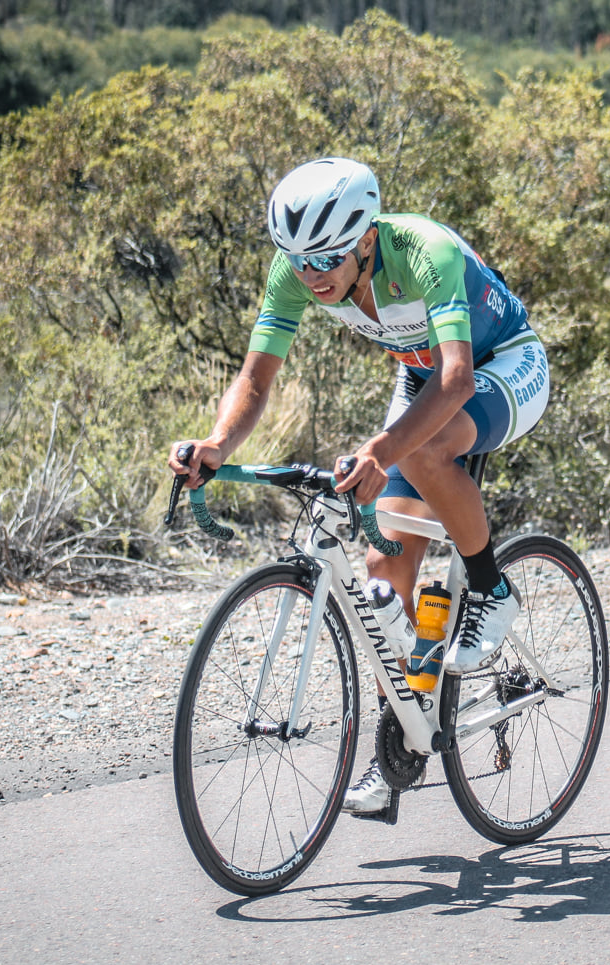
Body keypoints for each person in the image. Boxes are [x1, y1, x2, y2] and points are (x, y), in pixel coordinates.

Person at [168, 157, 550, 813]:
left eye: (327, 258)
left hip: (502, 364)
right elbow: (256, 379)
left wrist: (379, 450)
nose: (312, 275)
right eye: (300, 261)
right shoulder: (296, 272)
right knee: (383, 567)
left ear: (367, 239)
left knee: (422, 449)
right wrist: (217, 444)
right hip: (422, 376)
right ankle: (398, 745)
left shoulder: (423, 252)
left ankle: (491, 588)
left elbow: (456, 380)